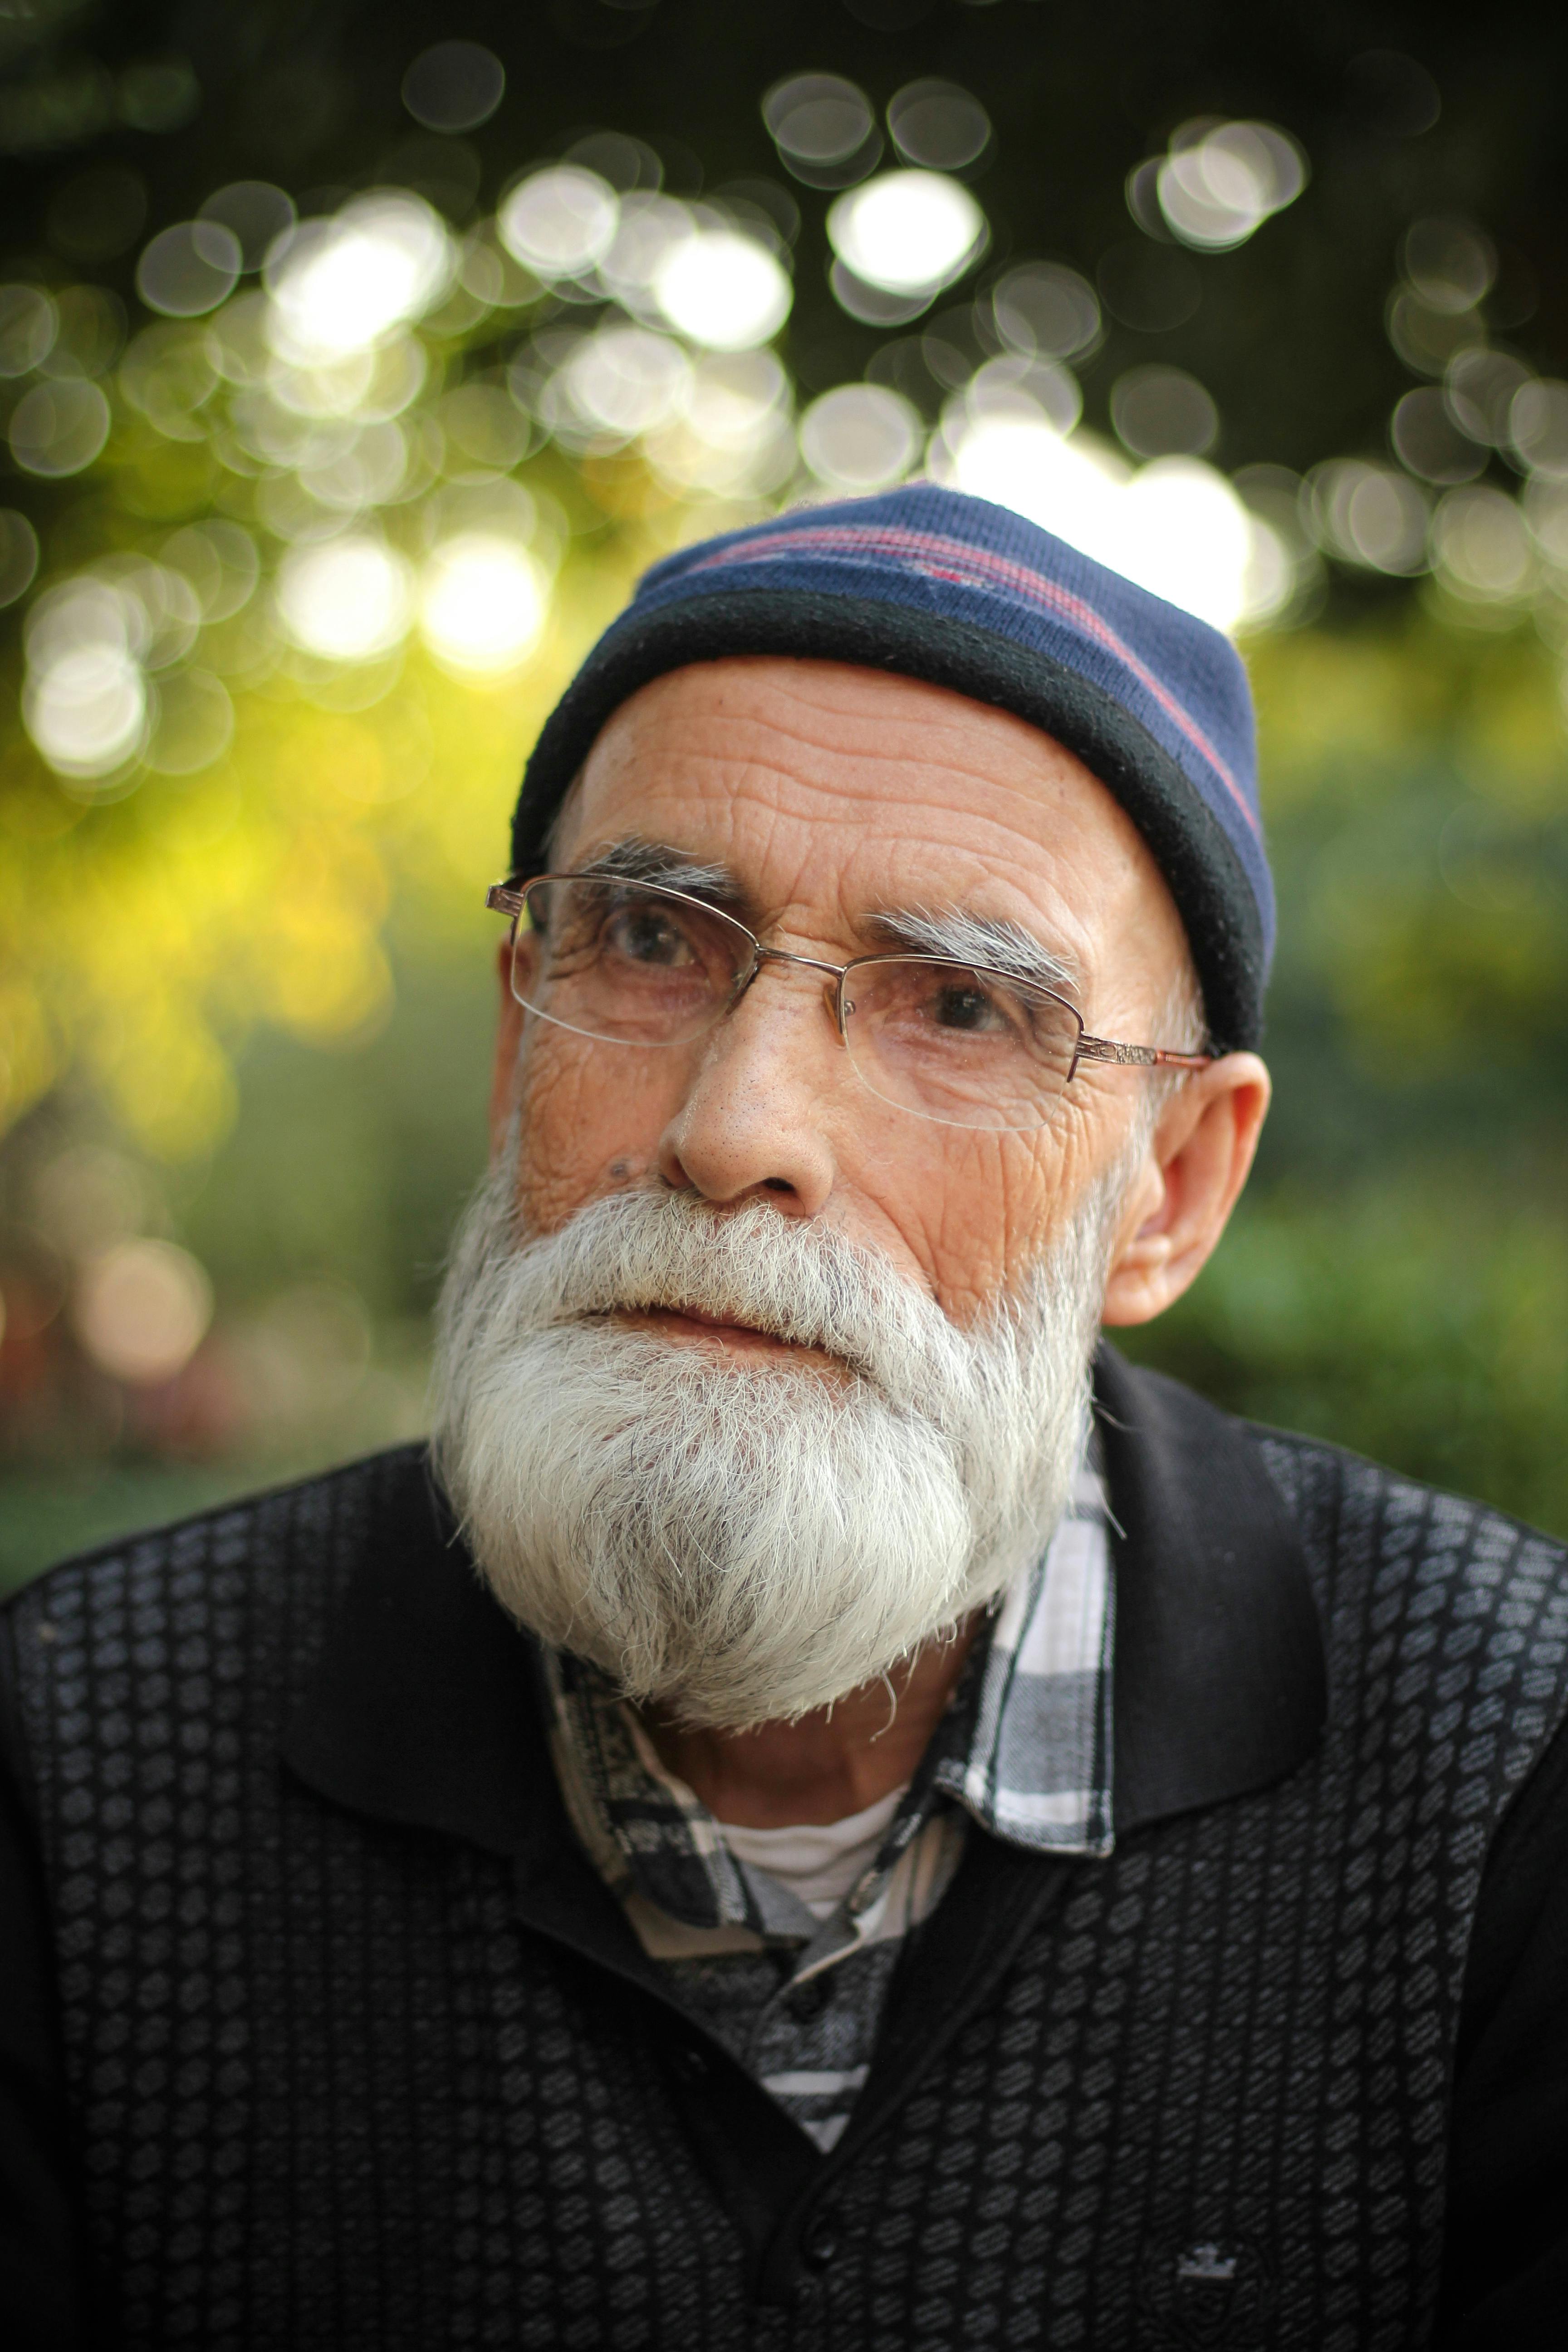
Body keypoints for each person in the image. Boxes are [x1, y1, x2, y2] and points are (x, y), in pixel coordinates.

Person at [2, 486, 1565, 2352]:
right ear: (518, 1052)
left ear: (1170, 1187)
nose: (738, 1128)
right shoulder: (80, 1755)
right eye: (654, 944)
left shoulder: (1510, 1778)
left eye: (966, 1008)